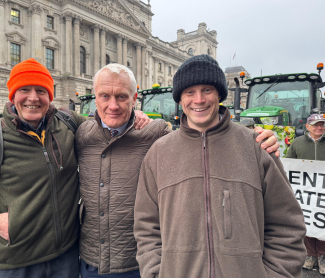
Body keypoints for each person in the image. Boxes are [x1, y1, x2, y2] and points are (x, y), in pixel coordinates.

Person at [75, 63, 281, 278]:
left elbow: (284, 225)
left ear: (135, 98)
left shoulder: (156, 134)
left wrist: (259, 140)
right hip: (91, 262)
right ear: (95, 98)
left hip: (136, 264)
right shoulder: (81, 133)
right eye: (104, 96)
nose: (113, 105)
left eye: (122, 97)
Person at [0, 59, 151, 278]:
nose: (33, 98)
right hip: (16, 262)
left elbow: (107, 122)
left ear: (50, 95)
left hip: (66, 258)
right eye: (24, 90)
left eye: (41, 90)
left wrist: (135, 116)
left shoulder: (69, 123)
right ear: (12, 95)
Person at [134, 55, 306, 278]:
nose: (198, 100)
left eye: (207, 90)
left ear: (219, 94)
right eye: (189, 92)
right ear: (180, 99)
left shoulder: (256, 147)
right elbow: (146, 227)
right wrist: (156, 273)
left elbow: (287, 225)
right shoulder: (158, 153)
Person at [286, 113, 325, 273]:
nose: (319, 127)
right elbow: (289, 164)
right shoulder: (297, 143)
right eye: (316, 125)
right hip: (305, 192)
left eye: (322, 124)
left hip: (322, 192)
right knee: (307, 221)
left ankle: (322, 256)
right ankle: (309, 255)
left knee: (322, 223)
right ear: (308, 127)